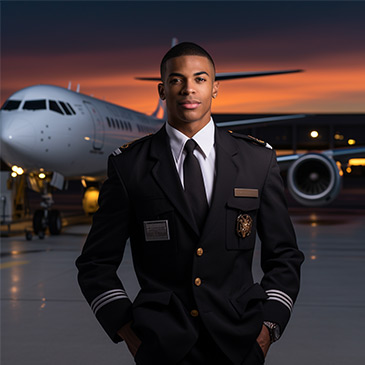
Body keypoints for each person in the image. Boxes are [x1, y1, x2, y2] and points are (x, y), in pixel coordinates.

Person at [76, 42, 304, 365]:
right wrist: (127, 332)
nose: (188, 90)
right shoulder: (130, 167)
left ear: (215, 89)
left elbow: (285, 256)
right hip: (161, 346)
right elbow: (95, 264)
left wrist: (268, 328)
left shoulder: (257, 160)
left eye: (199, 79)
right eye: (176, 80)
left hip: (240, 343)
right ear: (161, 89)